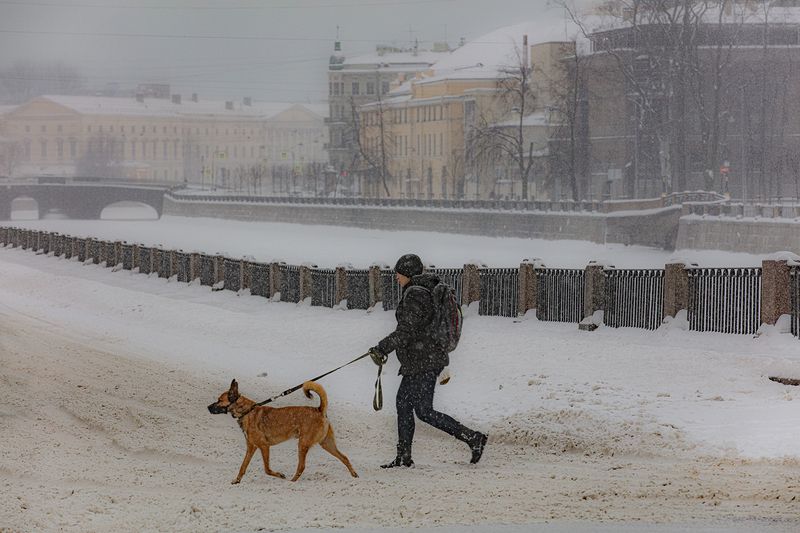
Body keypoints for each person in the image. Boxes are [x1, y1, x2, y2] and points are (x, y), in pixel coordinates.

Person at [368, 253, 487, 468]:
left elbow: (407, 331)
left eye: (399, 273)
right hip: (421, 359)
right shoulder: (423, 290)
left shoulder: (416, 294)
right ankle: (404, 457)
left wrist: (382, 347)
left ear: (407, 273)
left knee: (423, 411)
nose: (396, 277)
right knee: (403, 404)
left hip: (424, 360)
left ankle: (473, 437)